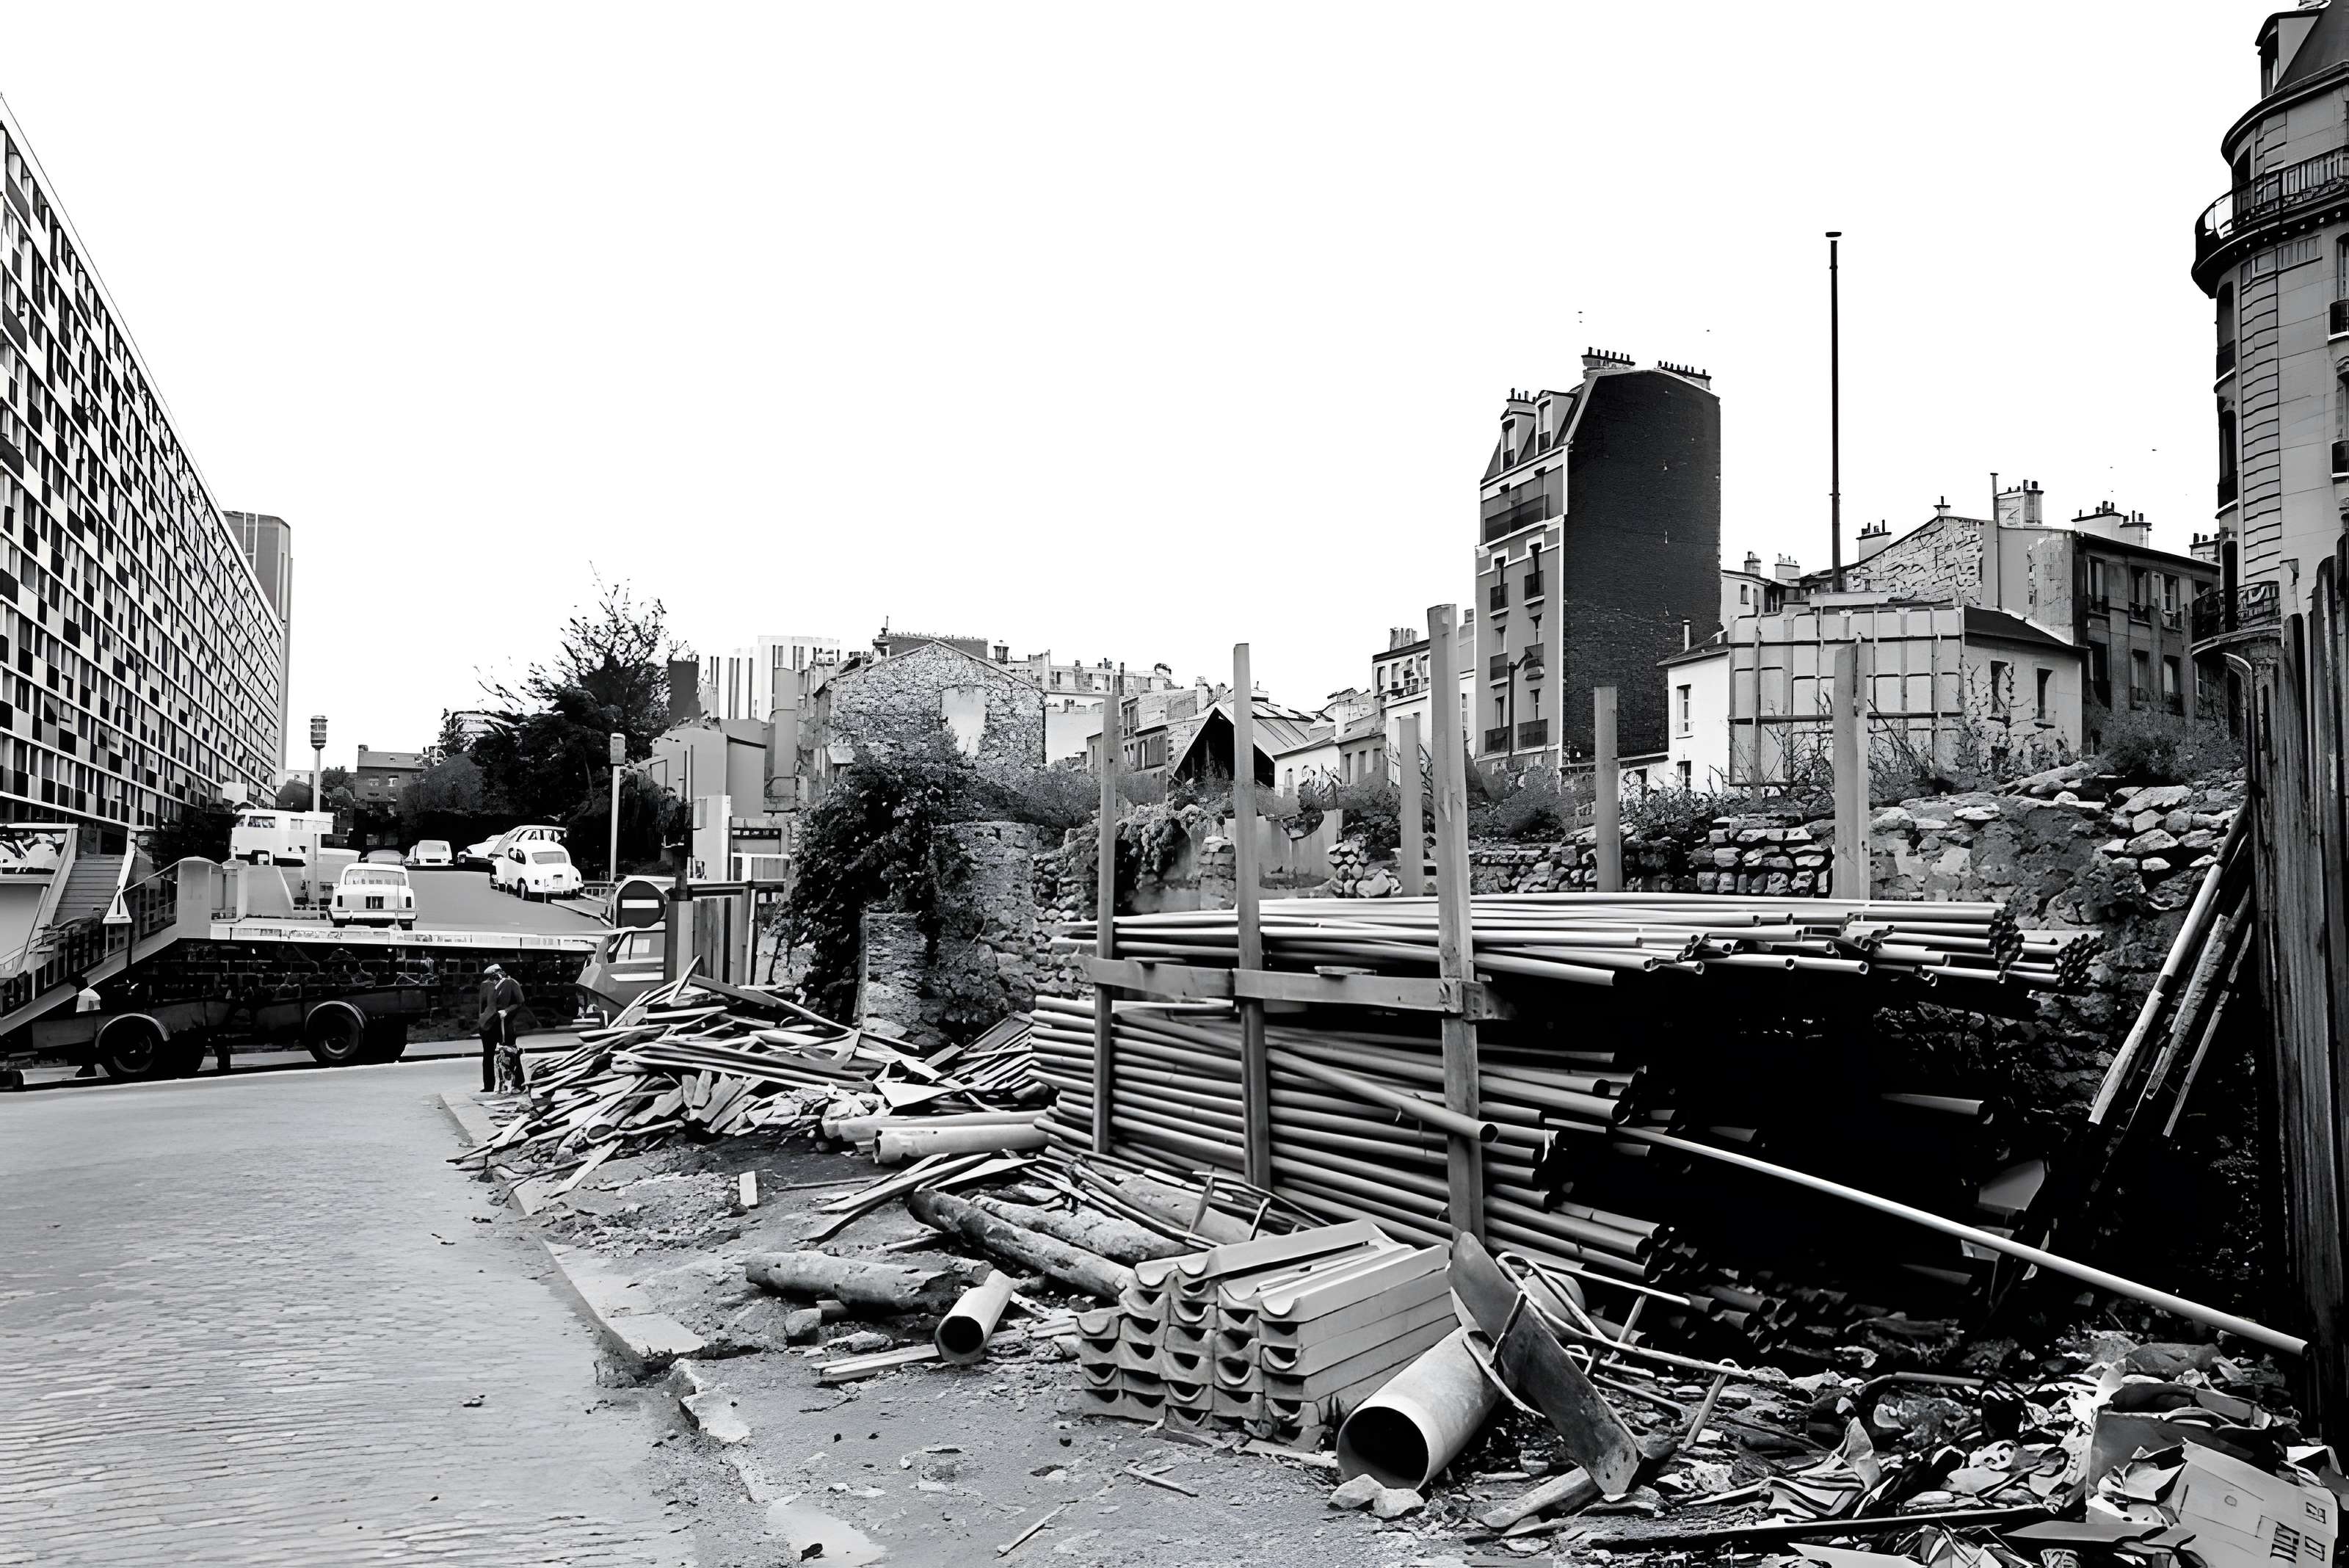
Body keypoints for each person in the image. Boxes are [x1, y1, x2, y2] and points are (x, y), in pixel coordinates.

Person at [70, 973, 100, 1078]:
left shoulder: (84, 995)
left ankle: (88, 1069)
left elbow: (82, 1012)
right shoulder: (91, 994)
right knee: (88, 1048)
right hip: (91, 1025)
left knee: (86, 1048)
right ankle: (89, 1068)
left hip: (86, 1027)